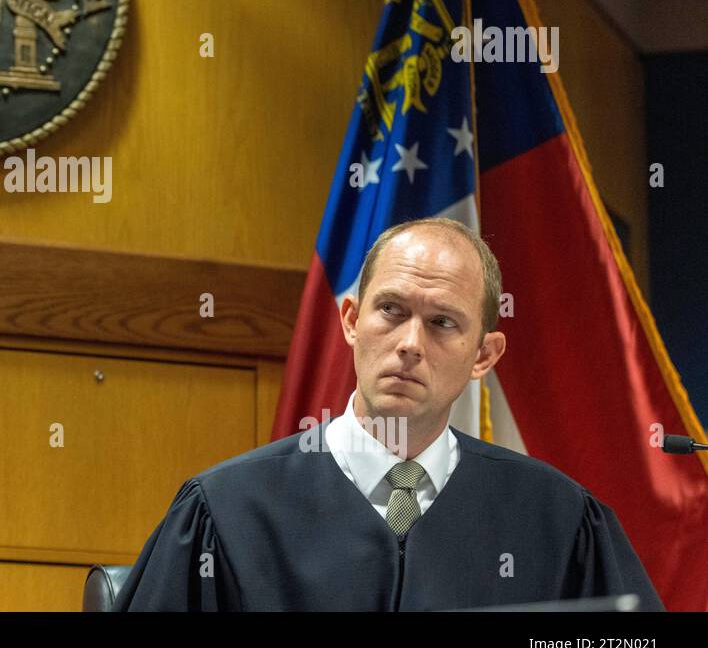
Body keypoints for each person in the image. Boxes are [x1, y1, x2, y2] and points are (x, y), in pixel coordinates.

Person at [115, 217, 664, 611]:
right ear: (352, 320)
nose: (409, 344)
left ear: (483, 355)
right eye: (391, 310)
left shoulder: (558, 519)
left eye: (443, 323)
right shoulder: (226, 510)